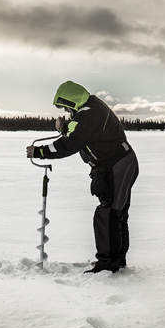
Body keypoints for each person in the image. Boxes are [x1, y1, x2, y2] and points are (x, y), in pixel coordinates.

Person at [25, 81, 139, 273]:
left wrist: (39, 152)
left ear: (72, 102)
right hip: (115, 164)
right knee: (115, 212)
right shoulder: (91, 109)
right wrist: (63, 130)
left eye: (66, 108)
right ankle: (115, 261)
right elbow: (78, 134)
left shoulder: (90, 114)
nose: (67, 112)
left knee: (109, 213)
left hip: (117, 166)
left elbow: (70, 144)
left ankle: (108, 264)